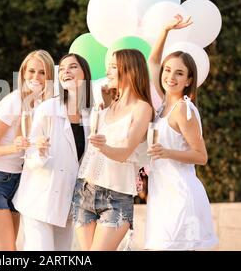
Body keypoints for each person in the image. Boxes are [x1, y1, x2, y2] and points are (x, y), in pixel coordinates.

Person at [145, 14, 218, 250]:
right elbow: (153, 60)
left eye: (179, 73)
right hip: (160, 196)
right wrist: (165, 29)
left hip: (181, 197)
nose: (170, 77)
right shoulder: (163, 104)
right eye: (168, 71)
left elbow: (201, 156)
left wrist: (167, 152)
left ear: (188, 80)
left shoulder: (183, 109)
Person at [0, 50, 55, 250]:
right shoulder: (13, 101)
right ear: (23, 73)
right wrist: (13, 147)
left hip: (18, 183)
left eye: (42, 72)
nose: (36, 77)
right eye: (31, 71)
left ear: (50, 76)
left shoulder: (45, 106)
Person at [72, 49, 153, 251]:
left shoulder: (142, 108)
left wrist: (103, 146)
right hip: (85, 190)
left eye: (114, 66)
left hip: (116, 196)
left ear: (131, 70)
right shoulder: (106, 107)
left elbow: (125, 152)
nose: (108, 71)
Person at [13, 53, 93, 251]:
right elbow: (29, 155)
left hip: (67, 203)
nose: (66, 71)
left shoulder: (91, 116)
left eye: (72, 67)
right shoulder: (48, 109)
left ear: (85, 74)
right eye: (63, 68)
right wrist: (38, 150)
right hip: (39, 198)